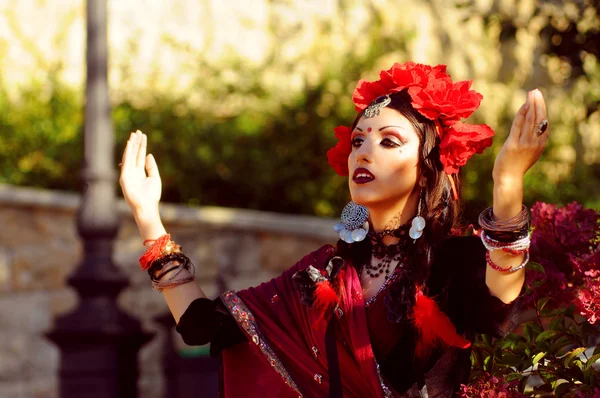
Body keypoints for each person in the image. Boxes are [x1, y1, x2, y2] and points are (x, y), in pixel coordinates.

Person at [119, 61, 549, 397]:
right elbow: (202, 326)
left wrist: (508, 181)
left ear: (426, 170)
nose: (363, 153)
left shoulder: (452, 262)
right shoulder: (323, 273)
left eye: (389, 141)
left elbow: (500, 305)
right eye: (358, 140)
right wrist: (146, 217)